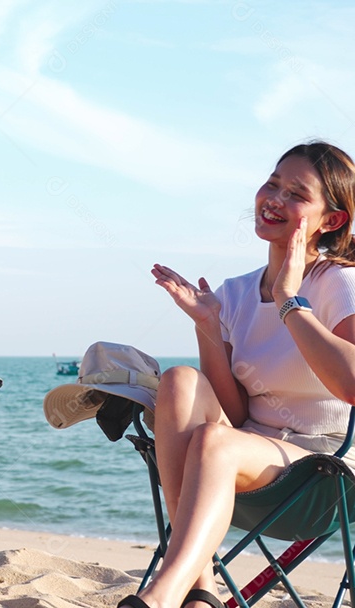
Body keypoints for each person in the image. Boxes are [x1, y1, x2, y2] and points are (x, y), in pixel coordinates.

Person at [122, 141, 355, 608]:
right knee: (180, 380)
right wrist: (207, 326)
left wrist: (291, 300)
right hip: (244, 459)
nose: (274, 198)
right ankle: (201, 585)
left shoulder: (339, 282)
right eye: (272, 183)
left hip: (324, 475)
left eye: (296, 193)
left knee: (216, 440)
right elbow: (235, 411)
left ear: (331, 220)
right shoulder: (235, 292)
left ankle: (165, 594)